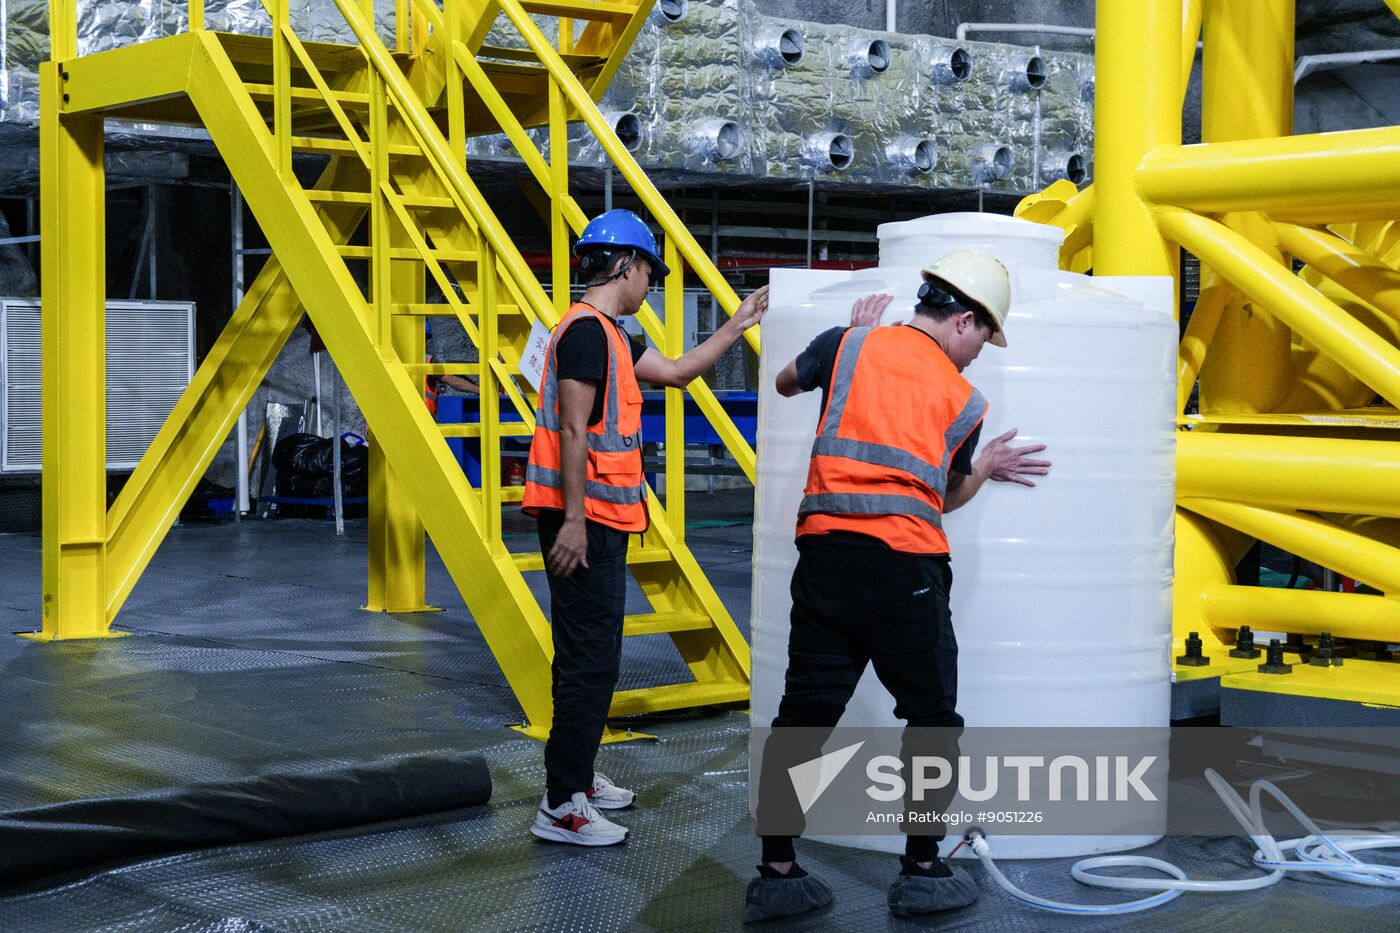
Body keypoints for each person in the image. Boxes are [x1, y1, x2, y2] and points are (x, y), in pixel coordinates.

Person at [745, 250, 1052, 921]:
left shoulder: (848, 344)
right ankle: (920, 866)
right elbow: (939, 498)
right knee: (932, 717)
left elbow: (786, 382)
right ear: (964, 320)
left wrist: (846, 338)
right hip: (904, 570)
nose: (977, 355)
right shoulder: (963, 398)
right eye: (982, 336)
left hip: (824, 559)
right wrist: (985, 466)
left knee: (804, 714)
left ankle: (775, 868)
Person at [522, 208, 769, 846]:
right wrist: (574, 520)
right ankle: (561, 804)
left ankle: (577, 775)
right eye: (648, 275)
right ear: (626, 267)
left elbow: (681, 373)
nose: (649, 287)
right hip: (581, 520)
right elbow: (575, 430)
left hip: (602, 517)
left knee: (594, 654)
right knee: (588, 659)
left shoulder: (611, 335)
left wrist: (738, 325)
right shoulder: (583, 334)